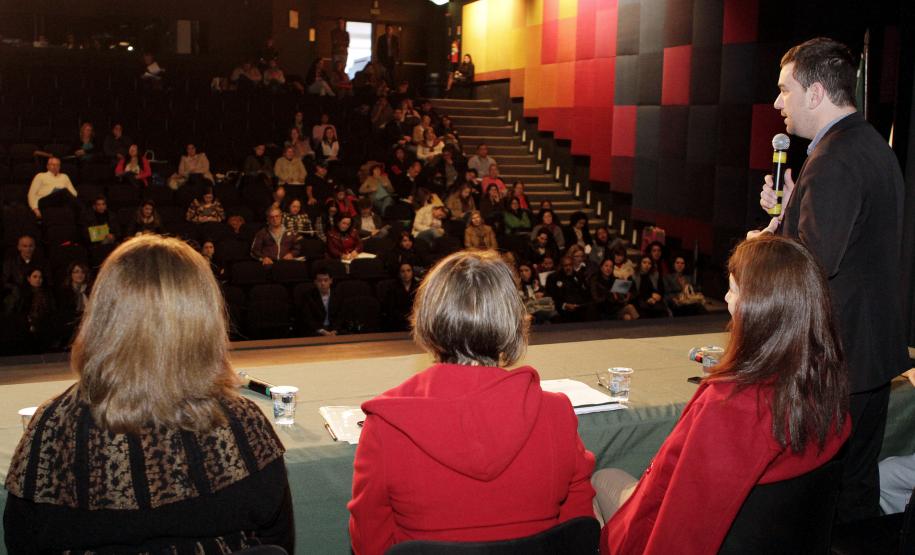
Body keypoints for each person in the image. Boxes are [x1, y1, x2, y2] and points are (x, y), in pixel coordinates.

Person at [3, 235, 294, 553]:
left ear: (102, 316)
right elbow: (277, 537)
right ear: (205, 319)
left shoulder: (52, 428)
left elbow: (22, 540)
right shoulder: (242, 426)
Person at [593, 235, 851, 554]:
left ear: (758, 307)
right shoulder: (825, 384)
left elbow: (682, 527)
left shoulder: (729, 403)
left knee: (598, 478)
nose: (727, 299)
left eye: (732, 289)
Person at [348, 250, 595, 554]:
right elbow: (578, 524)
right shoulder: (556, 413)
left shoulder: (386, 427)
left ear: (427, 318)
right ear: (514, 322)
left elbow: (369, 542)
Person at [757, 37, 908, 522]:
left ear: (816, 92)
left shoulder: (834, 159)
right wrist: (784, 215)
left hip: (837, 362)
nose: (778, 103)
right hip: (869, 355)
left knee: (827, 501)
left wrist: (765, 247)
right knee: (855, 490)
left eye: (785, 90)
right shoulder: (869, 144)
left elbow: (814, 266)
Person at [381, 262, 419, 331]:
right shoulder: (392, 288)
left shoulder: (418, 287)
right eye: (402, 271)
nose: (406, 274)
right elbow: (390, 309)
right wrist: (405, 318)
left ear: (412, 272)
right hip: (398, 322)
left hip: (415, 320)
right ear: (399, 274)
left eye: (408, 270)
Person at [303, 270, 341, 336]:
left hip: (334, 329)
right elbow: (308, 318)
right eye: (319, 281)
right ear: (315, 282)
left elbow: (341, 316)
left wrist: (335, 330)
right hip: (316, 330)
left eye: (326, 280)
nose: (323, 283)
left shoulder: (338, 295)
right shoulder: (308, 296)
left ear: (331, 281)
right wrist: (321, 331)